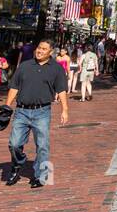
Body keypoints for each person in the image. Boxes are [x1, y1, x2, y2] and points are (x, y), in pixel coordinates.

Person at [5, 39, 69, 188]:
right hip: (21, 111)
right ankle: (16, 166)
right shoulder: (25, 66)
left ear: (51, 52)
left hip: (42, 111)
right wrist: (7, 106)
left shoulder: (57, 68)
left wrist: (65, 110)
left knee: (43, 145)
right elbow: (14, 87)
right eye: (39, 48)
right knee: (14, 144)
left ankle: (43, 176)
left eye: (44, 49)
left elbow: (62, 90)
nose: (40, 51)